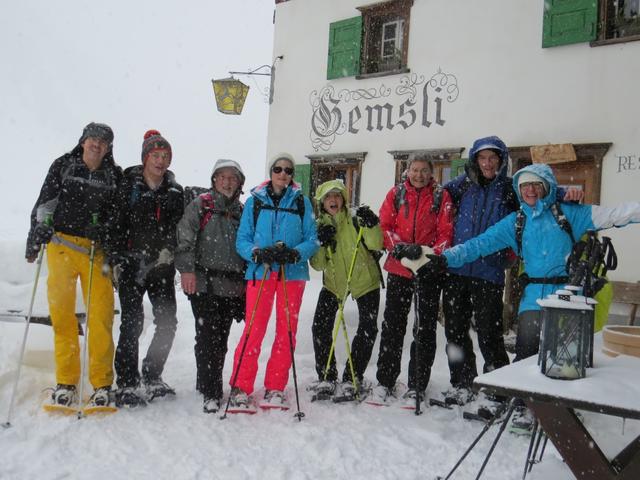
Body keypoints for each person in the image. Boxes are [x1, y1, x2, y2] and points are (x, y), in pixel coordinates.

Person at [429, 163, 640, 430]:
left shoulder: (570, 214)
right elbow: (479, 244)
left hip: (568, 296)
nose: (530, 190)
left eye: (536, 185)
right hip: (533, 298)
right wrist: (444, 259)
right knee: (527, 354)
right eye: (524, 186)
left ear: (546, 187)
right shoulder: (516, 221)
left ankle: (565, 412)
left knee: (566, 360)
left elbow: (615, 215)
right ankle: (525, 408)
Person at [440, 136, 583, 406]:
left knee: (489, 333)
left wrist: (567, 194)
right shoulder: (461, 187)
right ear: (474, 160)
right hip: (458, 270)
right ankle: (461, 383)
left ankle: (498, 387)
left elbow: (540, 193)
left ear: (501, 161)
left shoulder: (509, 188)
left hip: (490, 271)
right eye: (482, 158)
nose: (488, 163)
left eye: (493, 158)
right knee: (455, 332)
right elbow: (438, 196)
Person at [26, 122, 122, 408]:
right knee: (63, 315)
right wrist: (36, 235)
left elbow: (118, 217)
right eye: (92, 138)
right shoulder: (64, 165)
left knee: (100, 318)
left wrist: (105, 231)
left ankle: (102, 384)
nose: (97, 144)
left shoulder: (113, 176)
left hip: (96, 252)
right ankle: (66, 381)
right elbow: (45, 202)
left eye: (103, 141)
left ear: (108, 148)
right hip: (61, 246)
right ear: (82, 141)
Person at [228, 153, 318, 411]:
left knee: (285, 332)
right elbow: (242, 239)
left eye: (288, 170)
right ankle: (241, 387)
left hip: (291, 274)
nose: (283, 174)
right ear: (271, 172)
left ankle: (275, 387)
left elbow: (312, 239)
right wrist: (257, 252)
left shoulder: (302, 202)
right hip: (261, 273)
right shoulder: (255, 201)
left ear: (292, 175)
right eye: (278, 169)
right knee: (254, 329)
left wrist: (295, 253)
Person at [366, 158, 454, 407]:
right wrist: (400, 249)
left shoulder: (440, 196)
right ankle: (385, 381)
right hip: (399, 268)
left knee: (424, 328)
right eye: (415, 170)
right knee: (393, 325)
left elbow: (446, 233)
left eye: (424, 170)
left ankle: (417, 385)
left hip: (427, 270)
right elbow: (385, 226)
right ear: (408, 172)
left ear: (431, 172)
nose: (419, 175)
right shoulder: (396, 193)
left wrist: (429, 255)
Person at [107, 130, 184, 407]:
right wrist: (115, 259)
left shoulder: (175, 192)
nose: (161, 161)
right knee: (132, 323)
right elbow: (115, 226)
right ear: (145, 158)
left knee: (167, 322)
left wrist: (170, 249)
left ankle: (152, 375)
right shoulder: (128, 187)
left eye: (165, 156)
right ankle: (127, 383)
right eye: (155, 155)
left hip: (162, 267)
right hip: (131, 266)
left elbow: (179, 228)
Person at [175, 159, 246, 414]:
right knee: (207, 337)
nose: (227, 182)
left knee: (221, 339)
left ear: (239, 183)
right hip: (204, 283)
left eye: (233, 178)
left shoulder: (242, 210)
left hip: (231, 285)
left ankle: (205, 381)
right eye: (222, 177)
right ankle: (211, 391)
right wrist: (186, 270)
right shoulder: (201, 205)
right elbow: (185, 237)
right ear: (214, 180)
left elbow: (247, 247)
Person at [309, 179, 383, 401]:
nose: (333, 200)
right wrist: (322, 242)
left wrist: (372, 225)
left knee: (368, 328)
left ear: (343, 199)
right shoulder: (319, 225)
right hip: (334, 282)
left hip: (364, 279)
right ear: (322, 203)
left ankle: (353, 376)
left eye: (337, 195)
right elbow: (318, 265)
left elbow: (376, 245)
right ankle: (327, 376)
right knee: (320, 326)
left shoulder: (355, 218)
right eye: (328, 197)